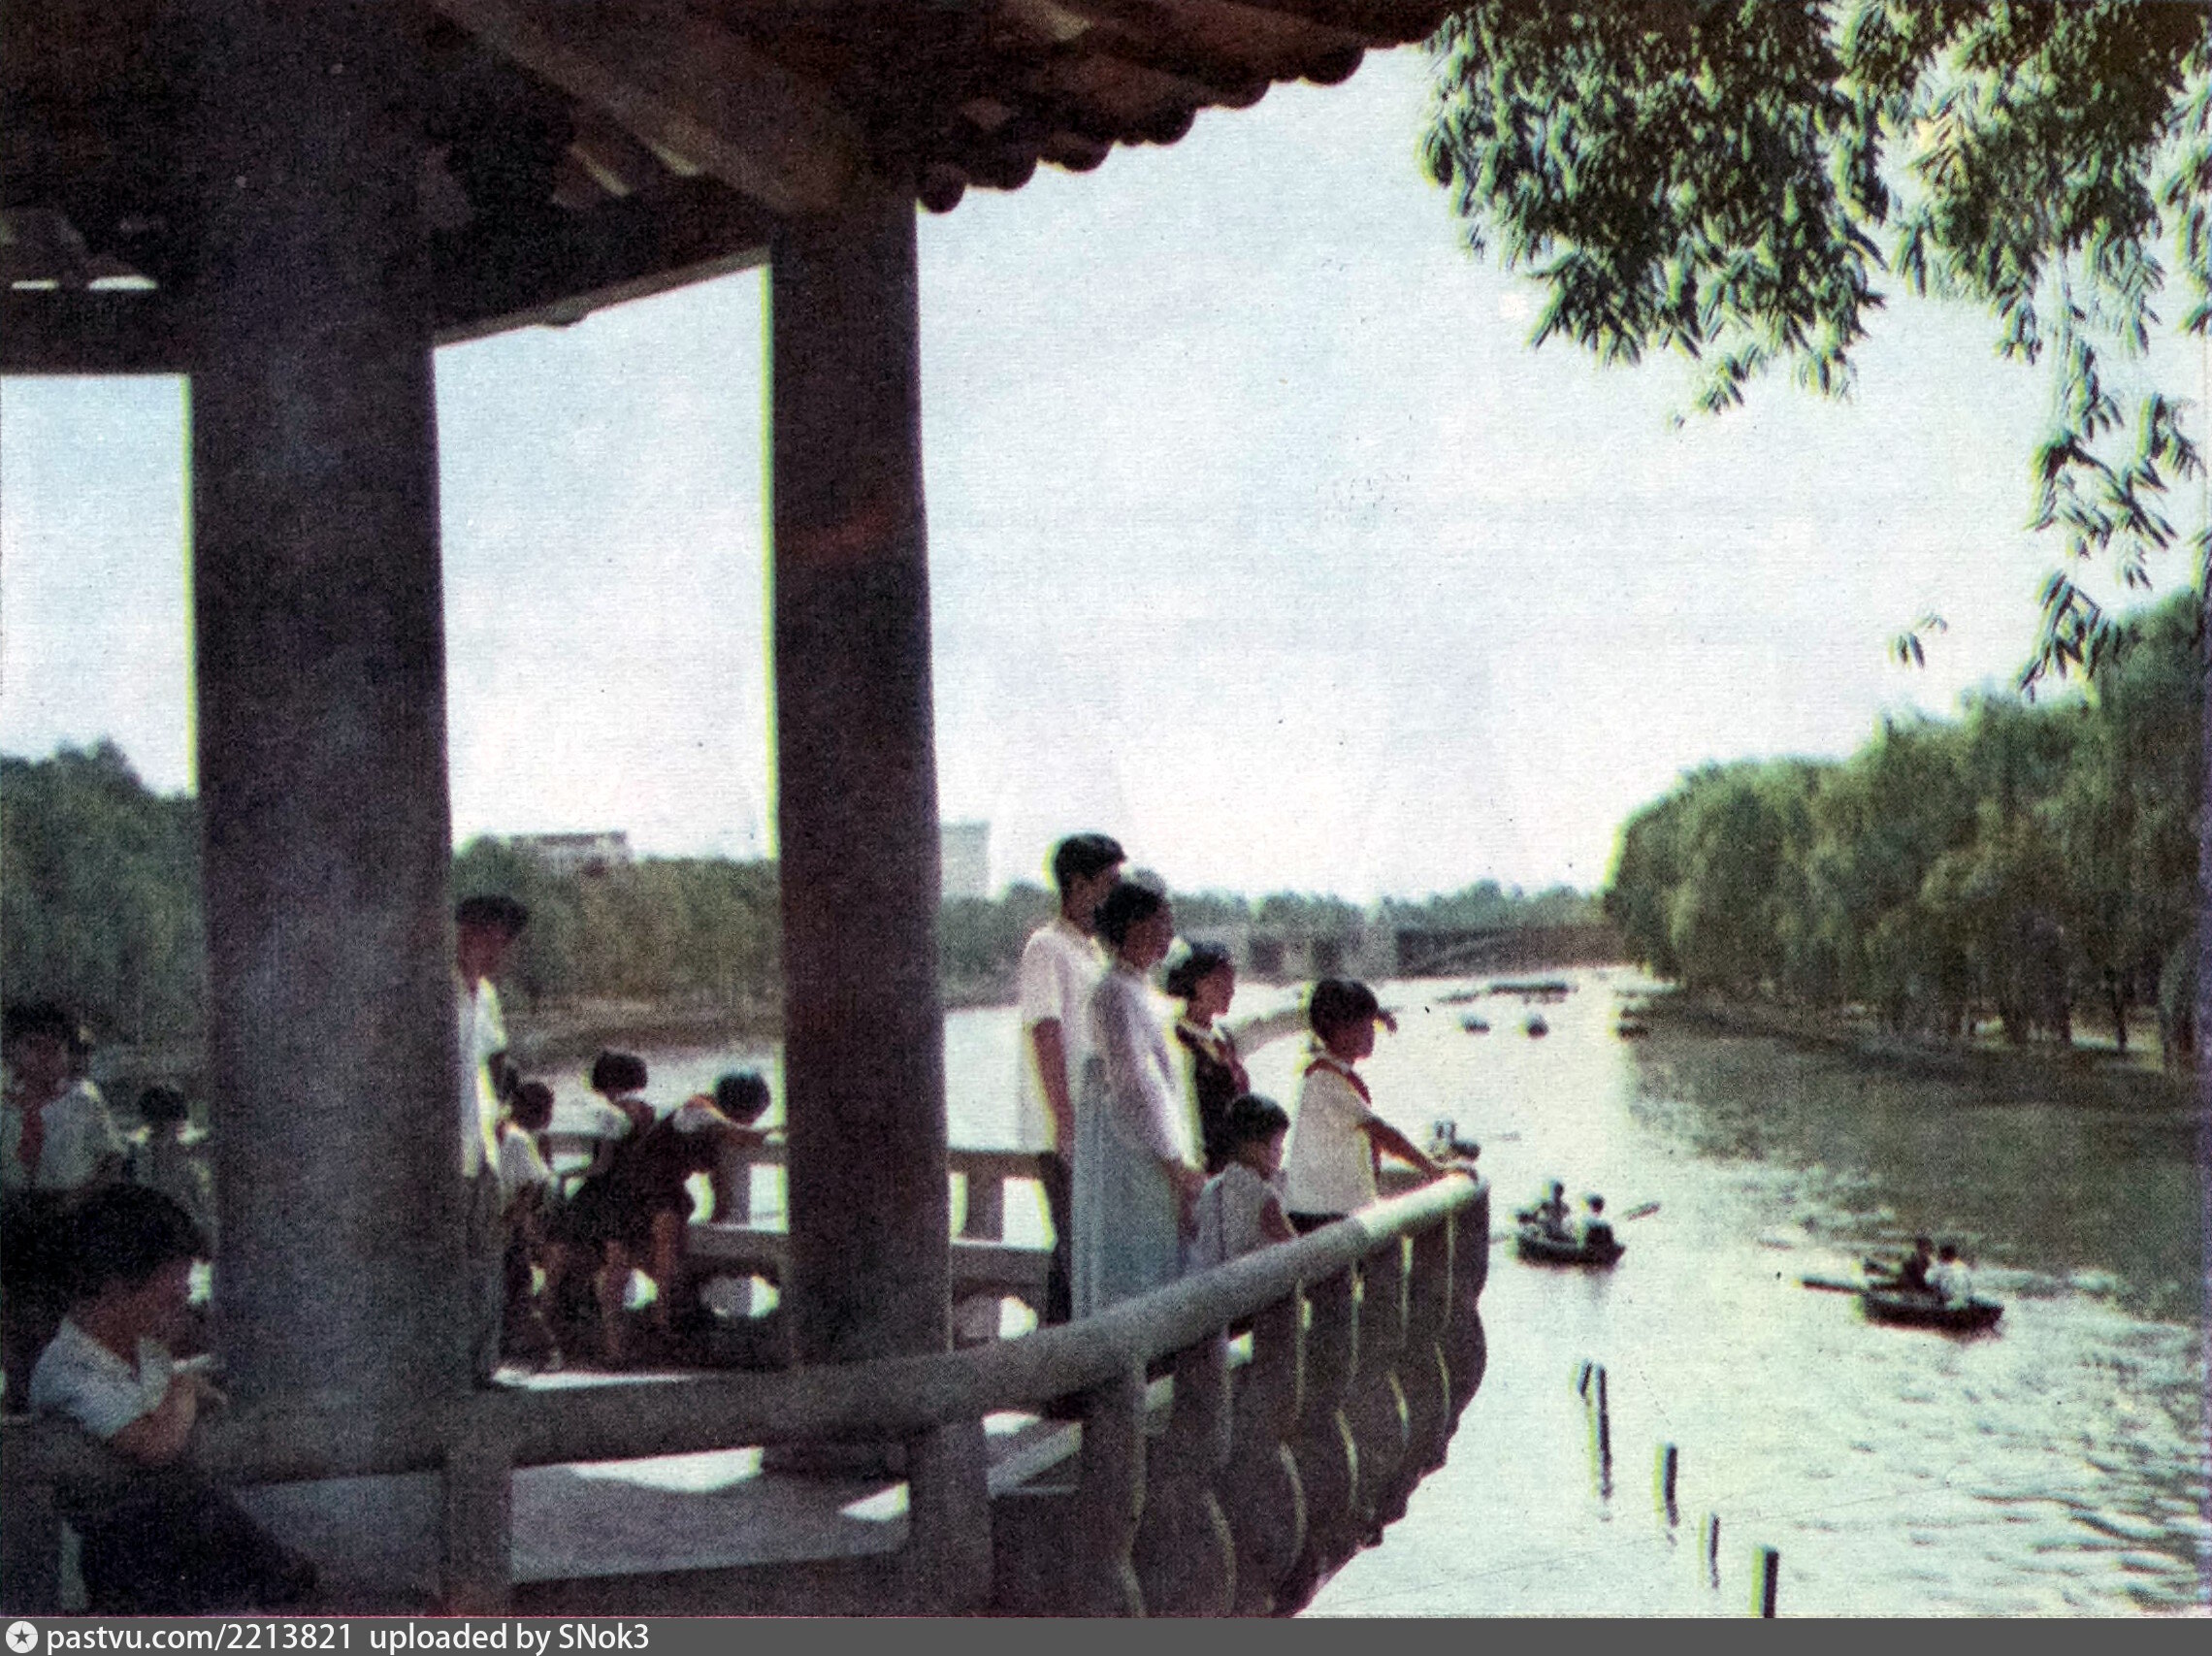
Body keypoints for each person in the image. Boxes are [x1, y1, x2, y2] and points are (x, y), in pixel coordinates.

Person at [28, 1185, 315, 1612]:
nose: (183, 1297)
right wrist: (185, 1390)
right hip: (119, 1559)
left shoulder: (146, 1353)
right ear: (116, 1289)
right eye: (170, 1290)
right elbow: (155, 1444)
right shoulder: (71, 1370)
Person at [1072, 880, 1206, 1316]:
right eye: (1159, 922)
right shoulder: (1114, 992)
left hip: (1149, 1148)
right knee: (1137, 1272)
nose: (1168, 933)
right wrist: (1175, 1165)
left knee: (1157, 1265)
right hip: (1134, 1153)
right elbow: (1136, 1089)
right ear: (1131, 926)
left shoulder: (1139, 990)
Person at [1015, 832, 1124, 1324]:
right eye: (1109, 883)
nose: (1116, 894)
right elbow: (1046, 1031)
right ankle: (1067, 1359)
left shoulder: (1094, 952)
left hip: (1099, 1124)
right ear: (1079, 885)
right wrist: (1065, 1121)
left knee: (1085, 1250)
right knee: (1079, 1248)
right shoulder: (1046, 947)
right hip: (1067, 1125)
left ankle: (1058, 1355)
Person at [4, 1001, 127, 1405]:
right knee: (17, 1306)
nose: (44, 1058)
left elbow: (112, 1160)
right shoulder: (4, 1105)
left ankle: (67, 1393)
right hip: (17, 1214)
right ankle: (19, 1391)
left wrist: (80, 1197)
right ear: (11, 1052)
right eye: (32, 1047)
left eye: (54, 1049)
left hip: (71, 1214)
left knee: (66, 1305)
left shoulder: (83, 1102)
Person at [1280, 978, 1448, 1233]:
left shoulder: (1333, 1072)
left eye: (1371, 1024)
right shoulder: (1324, 1079)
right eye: (1363, 1026)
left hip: (1333, 1208)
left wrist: (1375, 1013)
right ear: (1339, 1031)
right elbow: (1380, 1131)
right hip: (1320, 1214)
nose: (1372, 1034)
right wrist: (1433, 1169)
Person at [454, 893, 529, 1384]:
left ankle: (482, 1368)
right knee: (446, 1262)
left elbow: (495, 1062)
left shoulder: (488, 997)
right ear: (467, 935)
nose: (499, 953)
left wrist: (502, 1113)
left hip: (481, 1146)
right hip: (442, 1149)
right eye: (492, 940)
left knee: (486, 1258)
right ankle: (446, 1368)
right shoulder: (434, 991)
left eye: (504, 943)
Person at [1187, 1094, 1297, 1272]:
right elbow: (1296, 1250)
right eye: (1276, 1146)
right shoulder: (1263, 1197)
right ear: (1254, 1148)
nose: (1281, 1153)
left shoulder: (1212, 1187)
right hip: (1245, 1283)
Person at [498, 1080, 561, 1369]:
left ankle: (537, 1349)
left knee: (515, 1292)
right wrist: (519, 1224)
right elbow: (531, 1188)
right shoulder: (519, 1139)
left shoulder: (506, 1132)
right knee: (520, 1293)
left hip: (504, 1223)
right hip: (511, 1226)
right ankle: (547, 1350)